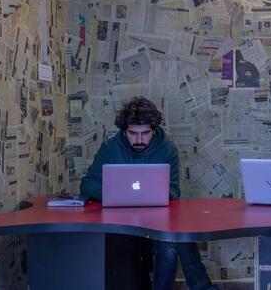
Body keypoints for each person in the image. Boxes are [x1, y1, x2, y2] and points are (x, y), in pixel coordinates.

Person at [80, 97, 215, 290]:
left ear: (154, 129)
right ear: (124, 130)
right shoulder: (110, 148)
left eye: (145, 134)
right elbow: (87, 185)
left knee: (170, 246)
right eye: (132, 133)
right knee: (174, 242)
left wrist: (154, 195)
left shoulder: (167, 149)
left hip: (157, 223)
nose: (139, 140)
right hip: (121, 224)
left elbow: (173, 192)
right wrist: (116, 195)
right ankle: (204, 287)